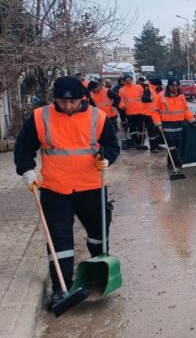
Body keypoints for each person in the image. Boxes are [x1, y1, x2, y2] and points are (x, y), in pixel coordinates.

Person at [13, 76, 120, 309]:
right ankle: (61, 288)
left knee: (98, 233)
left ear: (83, 98)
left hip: (92, 186)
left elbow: (113, 145)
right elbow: (23, 146)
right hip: (55, 189)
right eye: (63, 102)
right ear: (55, 100)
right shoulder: (41, 117)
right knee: (59, 240)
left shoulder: (97, 116)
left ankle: (98, 275)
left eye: (73, 102)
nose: (68, 106)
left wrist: (107, 158)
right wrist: (27, 171)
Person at [152, 78, 195, 170]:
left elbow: (185, 110)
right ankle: (176, 163)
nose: (175, 88)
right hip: (167, 125)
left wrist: (192, 120)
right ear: (168, 85)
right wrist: (158, 124)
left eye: (176, 86)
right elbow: (154, 111)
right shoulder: (161, 96)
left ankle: (170, 163)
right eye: (173, 86)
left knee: (177, 145)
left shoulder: (181, 96)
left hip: (179, 124)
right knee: (171, 145)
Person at [118, 74, 151, 148]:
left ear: (132, 80)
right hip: (130, 112)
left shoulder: (138, 87)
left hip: (140, 111)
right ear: (124, 81)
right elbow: (121, 101)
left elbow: (144, 97)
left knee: (141, 128)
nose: (128, 81)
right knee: (132, 129)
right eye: (126, 80)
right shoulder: (122, 90)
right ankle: (135, 141)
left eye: (129, 80)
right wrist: (122, 106)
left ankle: (141, 142)